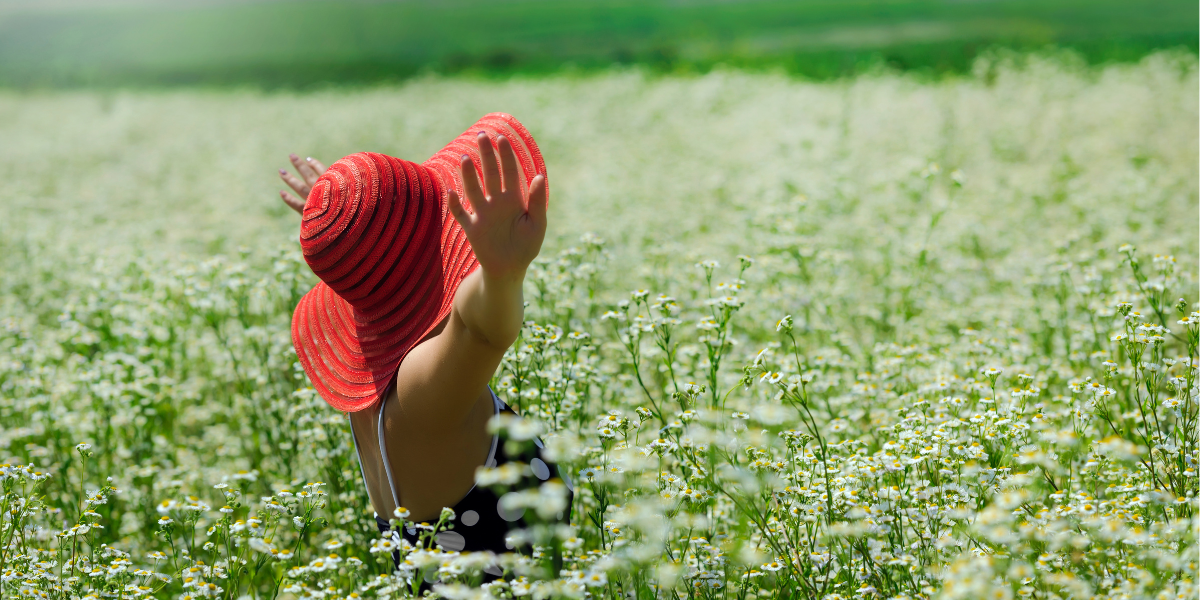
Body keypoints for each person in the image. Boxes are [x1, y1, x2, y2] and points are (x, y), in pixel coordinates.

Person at [276, 114, 572, 581]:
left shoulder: (378, 391)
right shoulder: (418, 393)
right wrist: (501, 273)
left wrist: (355, 231)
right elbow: (481, 331)